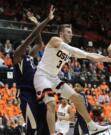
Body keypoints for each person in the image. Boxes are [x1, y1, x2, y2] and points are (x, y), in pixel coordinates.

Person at [33, 24, 111, 135]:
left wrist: (106, 59)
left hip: (54, 78)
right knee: (52, 104)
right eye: (68, 32)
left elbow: (89, 55)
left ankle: (91, 126)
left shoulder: (69, 51)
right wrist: (86, 55)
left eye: (71, 32)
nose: (71, 34)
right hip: (42, 76)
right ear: (61, 33)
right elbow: (75, 50)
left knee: (77, 98)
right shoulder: (55, 40)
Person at [13, 6, 55, 135]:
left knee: (44, 125)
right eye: (21, 44)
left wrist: (37, 24)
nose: (24, 45)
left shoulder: (29, 56)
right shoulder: (17, 56)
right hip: (26, 94)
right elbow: (31, 37)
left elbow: (39, 44)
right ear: (17, 48)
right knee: (32, 127)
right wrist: (45, 21)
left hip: (37, 92)